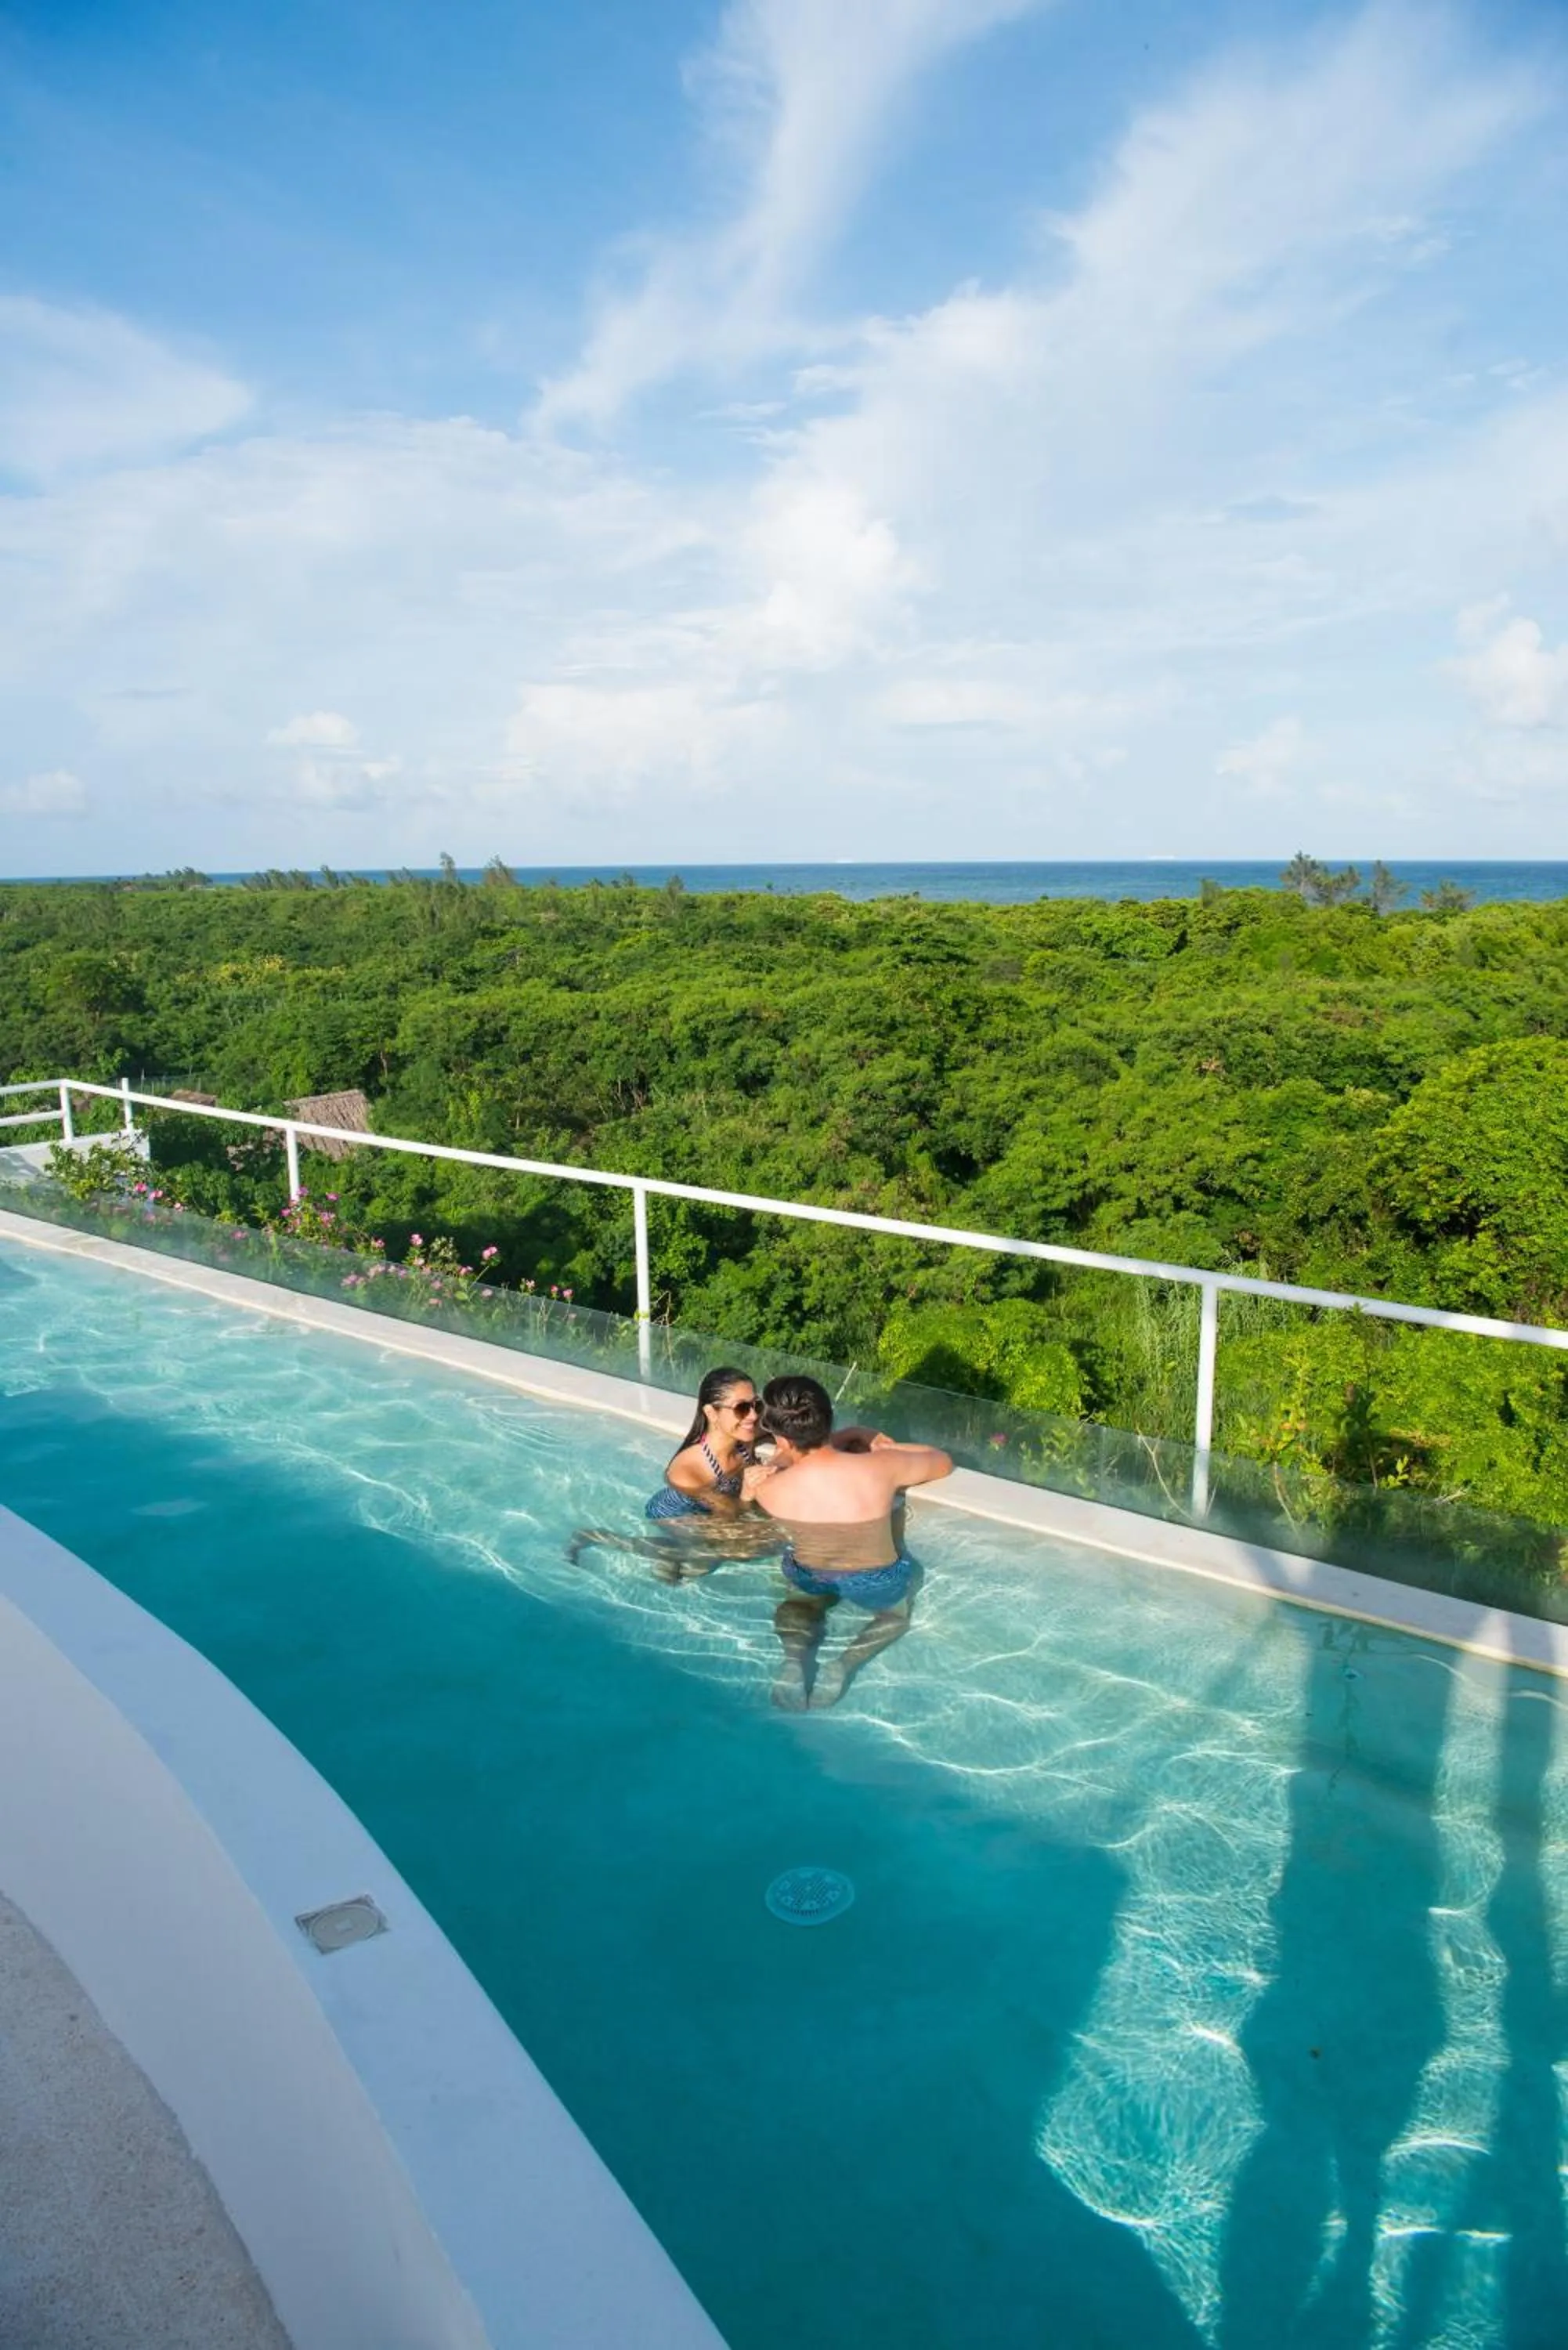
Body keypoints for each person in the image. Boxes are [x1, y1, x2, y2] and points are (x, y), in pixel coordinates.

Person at [745, 1373, 952, 1711]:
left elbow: (787, 1460)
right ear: (828, 1418)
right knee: (895, 1618)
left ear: (780, 1438)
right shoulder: (881, 1467)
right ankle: (844, 1665)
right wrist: (867, 1438)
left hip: (810, 1572)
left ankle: (794, 1661)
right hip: (875, 1577)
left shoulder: (769, 1489)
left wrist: (786, 1452)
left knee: (798, 1604)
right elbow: (942, 1461)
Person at [566, 1366, 773, 1582]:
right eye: (742, 1408)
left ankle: (672, 1561)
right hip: (675, 1513)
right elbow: (730, 1514)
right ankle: (602, 1538)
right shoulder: (688, 1469)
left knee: (746, 1542)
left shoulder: (744, 1434)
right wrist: (748, 1495)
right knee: (729, 1552)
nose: (753, 1415)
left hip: (715, 1507)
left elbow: (788, 1429)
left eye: (755, 1404)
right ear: (712, 1413)